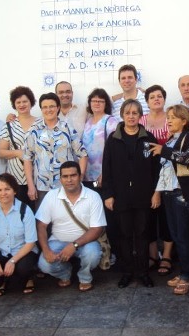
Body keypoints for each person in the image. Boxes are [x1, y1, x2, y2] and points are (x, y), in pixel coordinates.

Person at [102, 99, 161, 288]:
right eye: (127, 113)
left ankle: (143, 272)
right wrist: (108, 194)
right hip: (120, 197)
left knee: (143, 235)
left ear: (139, 115)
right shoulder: (113, 138)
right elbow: (107, 168)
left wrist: (155, 193)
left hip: (143, 196)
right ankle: (127, 272)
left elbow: (156, 170)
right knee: (124, 235)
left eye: (135, 113)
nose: (131, 116)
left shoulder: (148, 137)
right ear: (122, 115)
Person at [149, 105, 189, 294]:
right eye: (168, 117)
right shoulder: (171, 140)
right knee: (177, 236)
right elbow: (164, 171)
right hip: (169, 194)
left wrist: (164, 151)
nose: (169, 120)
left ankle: (188, 276)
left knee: (184, 236)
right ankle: (185, 273)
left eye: (173, 117)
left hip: (182, 194)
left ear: (184, 120)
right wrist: (158, 191)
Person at [36, 161, 106, 292]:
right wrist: (45, 249)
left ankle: (85, 277)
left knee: (92, 255)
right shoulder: (51, 196)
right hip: (57, 241)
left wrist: (73, 245)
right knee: (44, 264)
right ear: (60, 178)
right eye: (65, 176)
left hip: (86, 242)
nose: (69, 180)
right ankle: (65, 274)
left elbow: (97, 229)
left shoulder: (93, 196)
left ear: (80, 176)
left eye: (73, 175)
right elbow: (41, 226)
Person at [23, 92, 87, 209]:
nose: (49, 110)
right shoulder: (34, 131)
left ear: (58, 107)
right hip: (42, 188)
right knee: (44, 223)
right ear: (41, 109)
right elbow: (27, 158)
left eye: (52, 106)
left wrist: (80, 177)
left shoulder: (67, 128)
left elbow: (82, 154)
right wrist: (31, 185)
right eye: (45, 107)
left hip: (66, 187)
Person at [0, 173, 38, 296]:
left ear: (14, 191)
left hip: (22, 251)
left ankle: (28, 278)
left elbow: (31, 242)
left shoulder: (25, 210)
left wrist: (12, 261)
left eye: (7, 189)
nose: (3, 193)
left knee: (24, 267)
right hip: (1, 250)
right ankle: (1, 281)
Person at [139, 85, 174, 275]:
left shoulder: (172, 117)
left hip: (169, 172)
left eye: (160, 96)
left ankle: (167, 256)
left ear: (164, 99)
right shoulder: (141, 120)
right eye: (152, 97)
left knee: (167, 216)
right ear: (147, 101)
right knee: (149, 216)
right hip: (147, 173)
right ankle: (153, 254)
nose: (156, 99)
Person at [81, 88, 119, 260]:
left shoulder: (110, 121)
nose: (97, 103)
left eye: (101, 101)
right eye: (94, 100)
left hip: (103, 177)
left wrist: (106, 173)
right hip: (87, 178)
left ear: (106, 104)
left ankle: (114, 254)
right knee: (94, 216)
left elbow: (115, 150)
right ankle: (100, 254)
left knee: (108, 215)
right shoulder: (87, 122)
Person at [0, 86, 39, 211]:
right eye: (18, 102)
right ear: (14, 105)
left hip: (38, 176)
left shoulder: (41, 123)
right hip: (16, 179)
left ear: (31, 102)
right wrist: (17, 152)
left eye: (25, 101)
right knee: (19, 213)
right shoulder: (9, 125)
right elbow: (1, 151)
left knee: (39, 213)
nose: (22, 105)